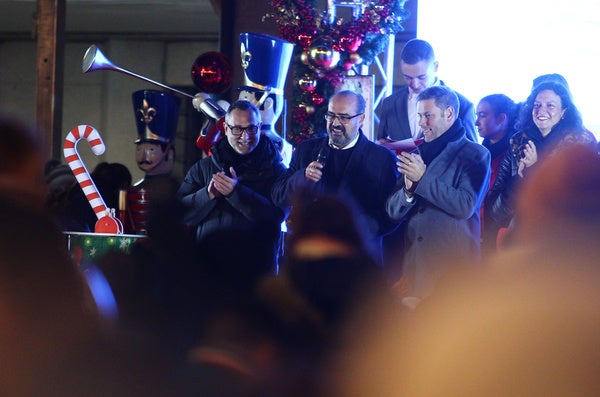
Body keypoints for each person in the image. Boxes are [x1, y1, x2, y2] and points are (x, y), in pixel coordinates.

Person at [385, 85, 490, 302]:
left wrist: (422, 179)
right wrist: (408, 191)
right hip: (414, 273)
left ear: (449, 114)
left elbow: (465, 205)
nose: (422, 123)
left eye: (428, 116)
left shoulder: (475, 154)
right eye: (420, 116)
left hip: (453, 275)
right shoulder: (415, 154)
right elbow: (392, 212)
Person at [272, 90, 399, 265]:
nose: (335, 123)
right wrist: (302, 177)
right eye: (331, 115)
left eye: (344, 117)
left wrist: (349, 232)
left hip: (357, 263)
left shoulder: (382, 159)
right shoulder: (306, 150)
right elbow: (278, 195)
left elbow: (390, 215)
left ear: (361, 119)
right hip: (309, 261)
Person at [177, 99, 287, 272]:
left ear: (259, 127)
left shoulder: (277, 171)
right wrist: (208, 195)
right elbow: (179, 214)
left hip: (255, 273)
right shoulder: (204, 167)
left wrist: (236, 193)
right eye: (237, 129)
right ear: (226, 128)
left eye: (251, 128)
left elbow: (275, 218)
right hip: (209, 269)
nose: (245, 136)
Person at [486, 80, 597, 248]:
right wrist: (521, 178)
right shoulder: (518, 142)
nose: (541, 110)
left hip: (563, 245)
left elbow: (579, 205)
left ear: (564, 112)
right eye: (537, 105)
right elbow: (494, 208)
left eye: (550, 105)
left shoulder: (580, 146)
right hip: (519, 238)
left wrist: (535, 169)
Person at [376, 38, 477, 144]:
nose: (415, 84)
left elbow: (473, 155)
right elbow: (381, 143)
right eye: (408, 77)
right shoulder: (390, 103)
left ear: (435, 67)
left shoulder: (464, 106)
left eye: (421, 77)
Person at [127, 89, 182, 234]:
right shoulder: (132, 190)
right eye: (139, 149)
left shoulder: (178, 192)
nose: (144, 155)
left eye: (151, 150)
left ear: (169, 153)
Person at [475, 94, 518, 256]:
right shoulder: (479, 152)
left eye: (482, 115)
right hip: (477, 231)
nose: (476, 122)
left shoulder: (514, 155)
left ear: (501, 118)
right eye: (476, 115)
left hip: (500, 235)